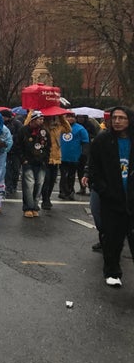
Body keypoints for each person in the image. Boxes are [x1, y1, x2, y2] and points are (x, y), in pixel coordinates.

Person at [84, 106, 134, 287]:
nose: (118, 121)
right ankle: (112, 271)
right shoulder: (103, 140)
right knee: (112, 238)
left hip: (131, 198)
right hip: (111, 198)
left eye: (122, 118)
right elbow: (94, 167)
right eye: (115, 118)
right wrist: (102, 189)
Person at [18, 110, 51, 218]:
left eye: (42, 119)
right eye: (39, 119)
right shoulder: (23, 130)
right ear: (33, 119)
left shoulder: (44, 131)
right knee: (29, 184)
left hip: (40, 162)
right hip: (28, 161)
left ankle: (35, 206)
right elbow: (18, 146)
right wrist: (23, 159)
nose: (42, 121)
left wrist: (45, 159)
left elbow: (48, 147)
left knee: (39, 184)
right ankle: (28, 207)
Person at [59, 112, 89, 201]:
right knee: (63, 175)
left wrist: (84, 154)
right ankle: (63, 191)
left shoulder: (80, 129)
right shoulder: (60, 127)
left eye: (72, 117)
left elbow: (85, 142)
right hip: (62, 156)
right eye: (68, 117)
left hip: (75, 157)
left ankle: (69, 191)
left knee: (71, 175)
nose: (70, 119)